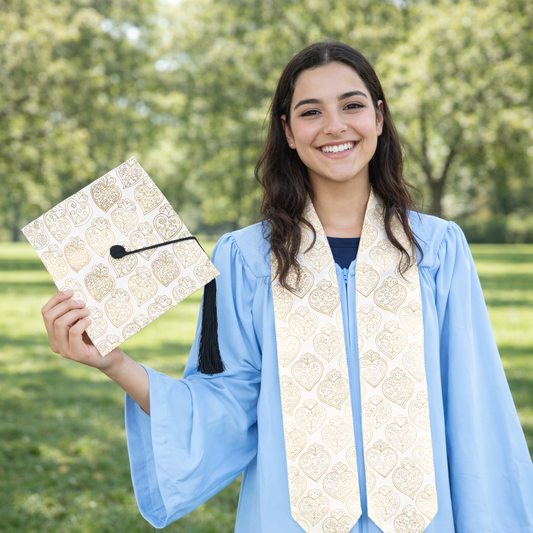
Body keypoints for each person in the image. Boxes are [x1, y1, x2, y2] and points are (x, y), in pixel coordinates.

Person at [40, 41, 533, 533]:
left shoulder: (437, 249)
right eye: (311, 111)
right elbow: (228, 403)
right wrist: (116, 364)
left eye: (353, 105)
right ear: (288, 132)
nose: (335, 125)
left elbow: (475, 408)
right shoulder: (246, 257)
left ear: (379, 119)